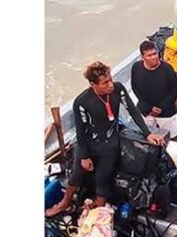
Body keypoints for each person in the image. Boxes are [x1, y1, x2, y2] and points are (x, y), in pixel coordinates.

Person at [46, 62, 163, 217]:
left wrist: (148, 133)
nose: (110, 85)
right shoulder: (82, 102)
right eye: (105, 83)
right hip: (89, 143)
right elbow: (80, 131)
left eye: (111, 79)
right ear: (93, 84)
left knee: (104, 179)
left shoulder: (118, 89)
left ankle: (98, 214)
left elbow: (132, 110)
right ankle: (64, 204)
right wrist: (85, 157)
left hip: (110, 145)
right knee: (76, 176)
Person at [131, 40, 177, 139]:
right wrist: (148, 108)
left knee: (173, 137)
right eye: (149, 55)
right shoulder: (136, 68)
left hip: (166, 111)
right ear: (142, 57)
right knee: (145, 135)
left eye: (155, 53)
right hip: (146, 110)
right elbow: (135, 87)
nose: (153, 57)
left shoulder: (168, 70)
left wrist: (160, 109)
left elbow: (174, 92)